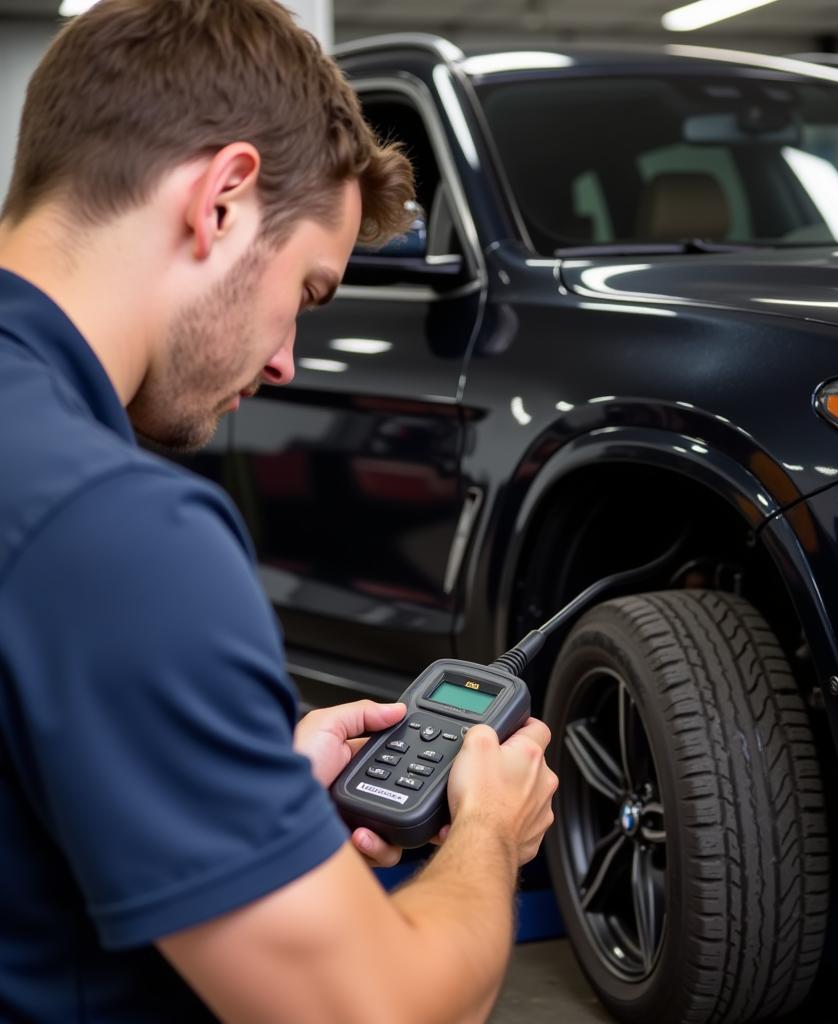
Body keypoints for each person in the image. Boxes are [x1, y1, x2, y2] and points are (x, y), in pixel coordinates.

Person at [0, 1, 558, 1022]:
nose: (285, 359)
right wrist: (489, 829)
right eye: (305, 290)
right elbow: (371, 1010)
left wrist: (236, 782)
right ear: (221, 202)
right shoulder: (115, 528)